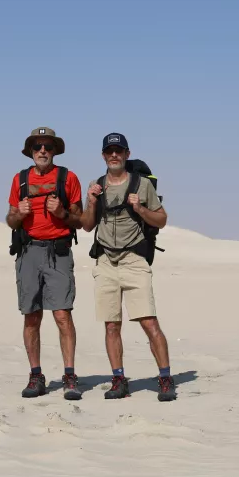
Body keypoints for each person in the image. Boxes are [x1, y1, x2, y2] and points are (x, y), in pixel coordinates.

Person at [80, 132, 176, 402]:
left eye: (118, 151)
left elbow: (161, 219)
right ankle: (119, 379)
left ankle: (165, 379)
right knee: (112, 325)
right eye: (109, 151)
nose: (114, 155)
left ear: (127, 154)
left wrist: (141, 209)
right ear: (103, 155)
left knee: (148, 321)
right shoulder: (98, 186)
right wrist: (90, 200)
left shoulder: (141, 185)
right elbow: (87, 225)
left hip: (134, 260)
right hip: (106, 261)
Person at [5, 127, 84, 400]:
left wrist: (61, 213)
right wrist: (19, 215)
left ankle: (70, 375)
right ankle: (36, 375)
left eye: (47, 147)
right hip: (28, 252)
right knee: (31, 316)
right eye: (37, 146)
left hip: (58, 253)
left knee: (62, 314)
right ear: (30, 151)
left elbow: (80, 221)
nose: (42, 151)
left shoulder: (68, 178)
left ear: (54, 151)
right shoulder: (20, 179)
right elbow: (11, 219)